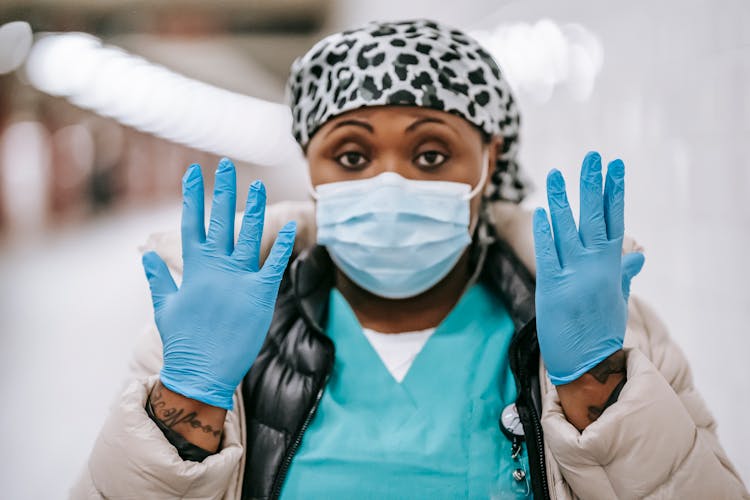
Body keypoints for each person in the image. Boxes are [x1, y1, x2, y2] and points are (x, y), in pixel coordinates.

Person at [71, 19, 748, 500]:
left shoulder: (607, 328)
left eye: (430, 154)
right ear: (309, 169)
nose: (388, 183)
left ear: (491, 162)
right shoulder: (208, 333)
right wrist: (187, 399)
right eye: (352, 156)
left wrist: (598, 386)